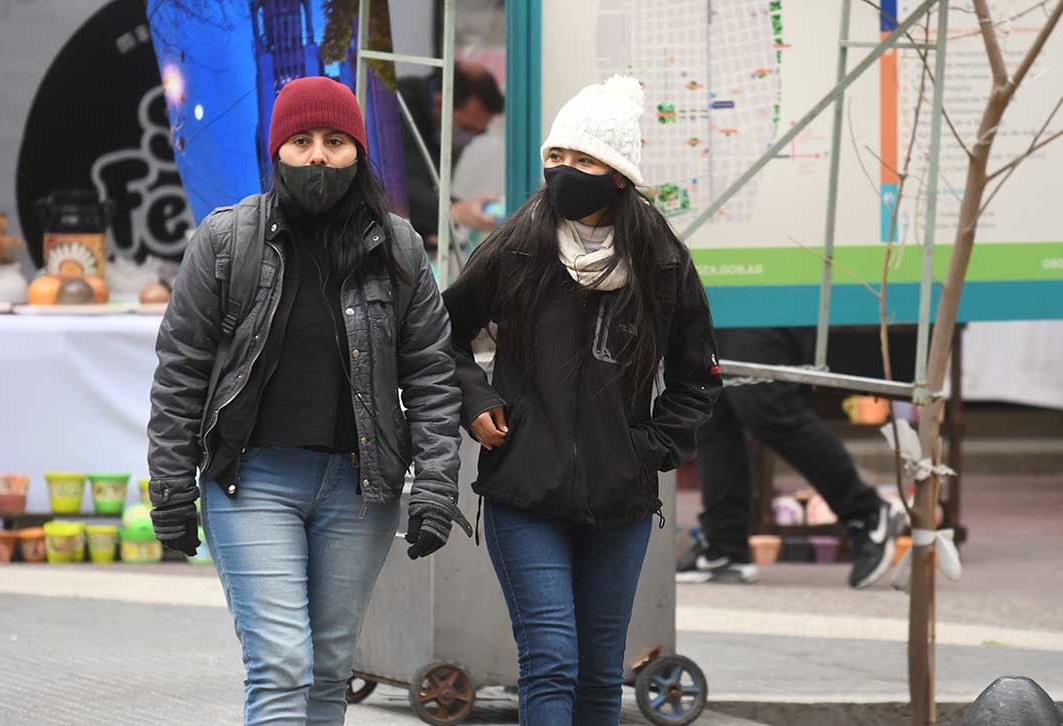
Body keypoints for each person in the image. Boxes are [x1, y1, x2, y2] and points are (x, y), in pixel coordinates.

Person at [146, 76, 469, 725]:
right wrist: (172, 489)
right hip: (251, 484)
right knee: (282, 665)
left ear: (357, 152)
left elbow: (432, 375)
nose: (318, 156)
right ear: (277, 152)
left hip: (360, 489)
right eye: (301, 141)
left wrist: (436, 487)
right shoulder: (226, 241)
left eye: (334, 140)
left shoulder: (398, 249)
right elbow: (180, 371)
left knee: (329, 668)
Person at [443, 75, 722, 726]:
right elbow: (438, 337)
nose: (565, 172)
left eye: (585, 160)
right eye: (557, 157)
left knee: (600, 678)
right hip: (523, 495)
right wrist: (475, 397)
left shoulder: (661, 262)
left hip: (619, 504)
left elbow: (698, 376)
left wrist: (647, 447)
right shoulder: (517, 246)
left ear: (619, 174)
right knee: (551, 662)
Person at [676, 326, 898, 589]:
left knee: (767, 406)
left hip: (761, 297)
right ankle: (725, 547)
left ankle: (867, 512)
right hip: (714, 297)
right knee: (711, 410)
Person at [398, 61, 505, 247]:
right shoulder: (396, 107)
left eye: (478, 133)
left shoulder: (437, 127)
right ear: (440, 103)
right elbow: (400, 186)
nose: (469, 139)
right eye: (465, 128)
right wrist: (457, 211)